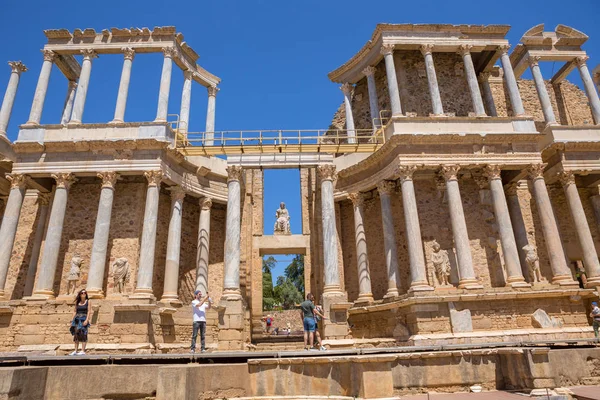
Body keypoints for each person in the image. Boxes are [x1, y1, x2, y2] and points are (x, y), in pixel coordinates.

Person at [69, 289, 92, 356]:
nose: (83, 294)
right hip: (77, 319)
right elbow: (75, 311)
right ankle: (75, 350)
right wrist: (72, 320)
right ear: (80, 294)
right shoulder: (77, 302)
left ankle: (82, 350)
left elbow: (89, 311)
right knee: (76, 334)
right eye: (82, 293)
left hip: (84, 318)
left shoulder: (88, 301)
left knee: (83, 333)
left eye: (85, 293)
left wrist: (87, 320)